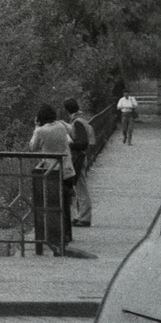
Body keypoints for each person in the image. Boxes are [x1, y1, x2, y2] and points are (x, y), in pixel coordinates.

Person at [29, 104, 73, 253]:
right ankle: (67, 234)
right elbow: (71, 131)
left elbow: (33, 147)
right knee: (65, 202)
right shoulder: (61, 125)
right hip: (66, 167)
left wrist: (35, 127)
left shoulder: (41, 131)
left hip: (50, 170)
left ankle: (53, 236)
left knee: (51, 203)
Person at [64, 98, 94, 229]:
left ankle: (85, 217)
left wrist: (70, 144)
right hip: (82, 156)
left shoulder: (77, 123)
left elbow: (82, 143)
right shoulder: (81, 120)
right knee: (78, 186)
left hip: (79, 157)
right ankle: (80, 215)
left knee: (81, 188)